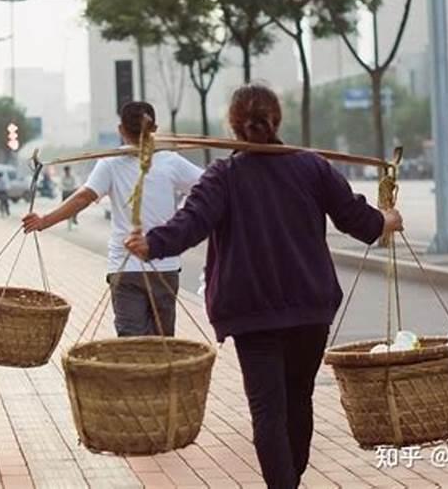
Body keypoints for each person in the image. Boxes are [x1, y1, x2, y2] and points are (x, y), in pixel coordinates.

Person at [123, 85, 404, 489]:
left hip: (252, 313)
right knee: (297, 399)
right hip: (310, 308)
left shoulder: (223, 176)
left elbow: (191, 223)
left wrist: (153, 244)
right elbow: (359, 221)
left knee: (268, 412)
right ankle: (290, 480)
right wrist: (388, 219)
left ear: (233, 125)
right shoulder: (313, 167)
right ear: (278, 120)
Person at [22, 101, 204, 337]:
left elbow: (83, 198)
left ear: (121, 130)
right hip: (162, 265)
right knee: (163, 342)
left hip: (128, 268)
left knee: (130, 342)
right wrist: (183, 219)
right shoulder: (170, 161)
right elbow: (208, 187)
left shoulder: (110, 164)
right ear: (154, 129)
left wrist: (44, 221)